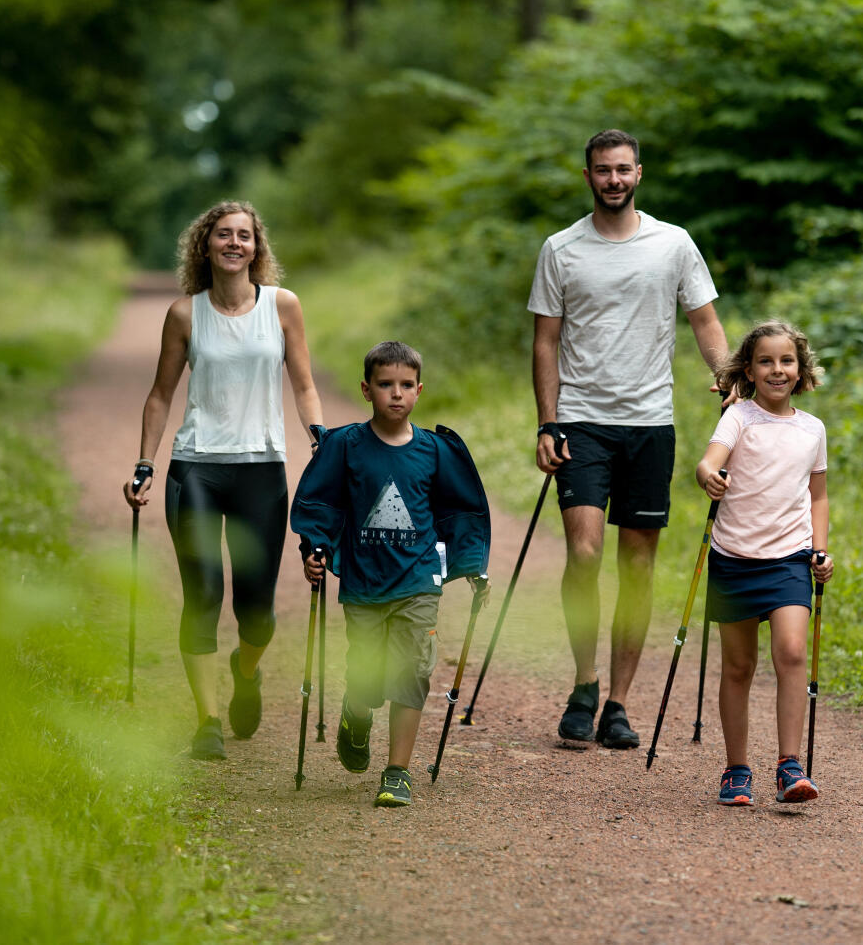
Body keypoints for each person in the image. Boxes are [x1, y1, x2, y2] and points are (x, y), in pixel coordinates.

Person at [528, 128, 730, 749]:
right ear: (587, 176)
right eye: (601, 170)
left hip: (650, 423)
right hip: (583, 422)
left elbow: (705, 320)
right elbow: (545, 341)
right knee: (585, 556)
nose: (612, 179)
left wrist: (730, 385)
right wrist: (548, 421)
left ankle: (617, 703)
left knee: (637, 569)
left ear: (638, 173)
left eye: (622, 169)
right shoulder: (561, 249)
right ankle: (583, 684)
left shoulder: (673, 244)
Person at [126, 200, 325, 761]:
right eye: (223, 235)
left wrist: (320, 439)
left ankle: (245, 668)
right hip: (197, 469)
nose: (234, 243)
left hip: (261, 470)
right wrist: (145, 464)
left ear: (257, 248)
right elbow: (161, 394)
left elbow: (305, 384)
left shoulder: (282, 307)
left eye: (244, 236)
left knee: (256, 611)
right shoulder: (185, 314)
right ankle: (207, 720)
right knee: (204, 593)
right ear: (204, 245)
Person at [292, 341, 491, 808]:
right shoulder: (344, 446)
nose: (395, 395)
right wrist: (314, 550)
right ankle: (355, 715)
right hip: (363, 583)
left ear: (419, 391)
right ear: (366, 389)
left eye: (405, 386)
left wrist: (471, 567)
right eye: (385, 385)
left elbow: (459, 512)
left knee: (412, 671)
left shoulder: (435, 451)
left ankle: (397, 771)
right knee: (366, 676)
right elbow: (319, 503)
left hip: (418, 582)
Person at [695, 319, 834, 805]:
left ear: (801, 369)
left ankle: (789, 765)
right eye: (766, 361)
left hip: (790, 558)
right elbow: (709, 461)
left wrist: (819, 548)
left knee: (792, 651)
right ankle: (736, 769)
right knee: (738, 666)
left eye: (787, 361)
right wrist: (709, 475)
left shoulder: (812, 428)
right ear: (749, 371)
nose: (778, 369)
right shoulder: (739, 418)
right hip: (734, 557)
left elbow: (817, 496)